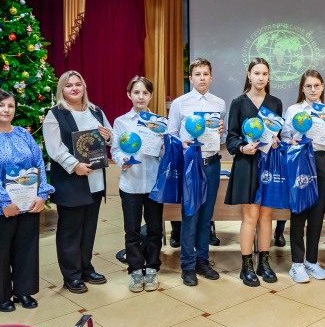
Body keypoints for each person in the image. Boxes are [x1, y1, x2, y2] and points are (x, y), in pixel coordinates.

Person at [0, 91, 54, 312]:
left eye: (10, 106)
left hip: (28, 205)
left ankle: (24, 291)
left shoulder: (23, 135)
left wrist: (41, 194)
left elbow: (38, 163)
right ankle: (1, 296)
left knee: (26, 249)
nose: (6, 110)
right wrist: (3, 202)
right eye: (0, 105)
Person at [43, 70, 113, 294]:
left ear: (84, 87)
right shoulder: (55, 114)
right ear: (62, 90)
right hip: (71, 180)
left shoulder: (96, 111)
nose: (74, 88)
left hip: (95, 181)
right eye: (68, 85)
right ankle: (71, 276)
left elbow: (109, 136)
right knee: (70, 231)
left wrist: (108, 137)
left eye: (78, 84)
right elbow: (54, 149)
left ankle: (86, 268)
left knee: (89, 229)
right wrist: (75, 166)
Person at [167, 58, 226, 286]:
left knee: (206, 216)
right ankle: (188, 265)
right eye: (198, 74)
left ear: (211, 77)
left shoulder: (219, 103)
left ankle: (203, 261)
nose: (202, 78)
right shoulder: (180, 103)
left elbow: (221, 139)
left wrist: (221, 132)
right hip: (191, 164)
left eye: (205, 74)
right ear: (190, 78)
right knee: (190, 216)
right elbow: (171, 135)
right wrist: (182, 143)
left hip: (212, 163)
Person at [225, 58, 282, 287]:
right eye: (257, 73)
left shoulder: (275, 103)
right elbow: (231, 138)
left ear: (268, 77)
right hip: (246, 164)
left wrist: (277, 141)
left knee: (266, 216)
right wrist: (242, 148)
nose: (261, 77)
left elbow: (278, 134)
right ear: (249, 75)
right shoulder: (238, 103)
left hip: (268, 164)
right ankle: (246, 266)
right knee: (250, 216)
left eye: (265, 74)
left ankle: (264, 263)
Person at [280, 70, 325, 283]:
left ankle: (311, 261)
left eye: (316, 85)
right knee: (299, 212)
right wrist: (291, 141)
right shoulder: (294, 110)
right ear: (302, 89)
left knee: (317, 214)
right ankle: (297, 264)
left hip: (323, 160)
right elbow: (284, 137)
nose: (313, 90)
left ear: (322, 86)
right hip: (301, 161)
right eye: (308, 86)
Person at [110, 76, 164, 292]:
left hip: (153, 184)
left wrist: (163, 142)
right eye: (136, 92)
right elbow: (115, 149)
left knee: (155, 229)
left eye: (145, 93)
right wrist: (121, 160)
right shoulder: (121, 122)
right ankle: (135, 270)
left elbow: (163, 154)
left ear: (151, 96)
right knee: (131, 230)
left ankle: (151, 268)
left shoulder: (160, 123)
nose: (141, 96)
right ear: (129, 95)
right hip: (130, 184)